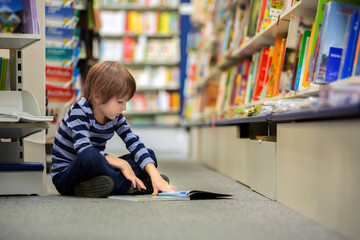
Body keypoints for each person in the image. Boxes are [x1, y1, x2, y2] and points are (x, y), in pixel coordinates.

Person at [51, 61, 176, 198]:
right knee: (89, 156)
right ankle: (130, 185)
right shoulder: (79, 110)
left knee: (148, 155)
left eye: (126, 102)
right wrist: (122, 164)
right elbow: (83, 150)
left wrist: (155, 176)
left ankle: (101, 185)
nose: (124, 108)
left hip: (96, 170)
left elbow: (133, 142)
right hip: (67, 176)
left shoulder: (115, 116)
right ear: (98, 97)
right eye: (120, 102)